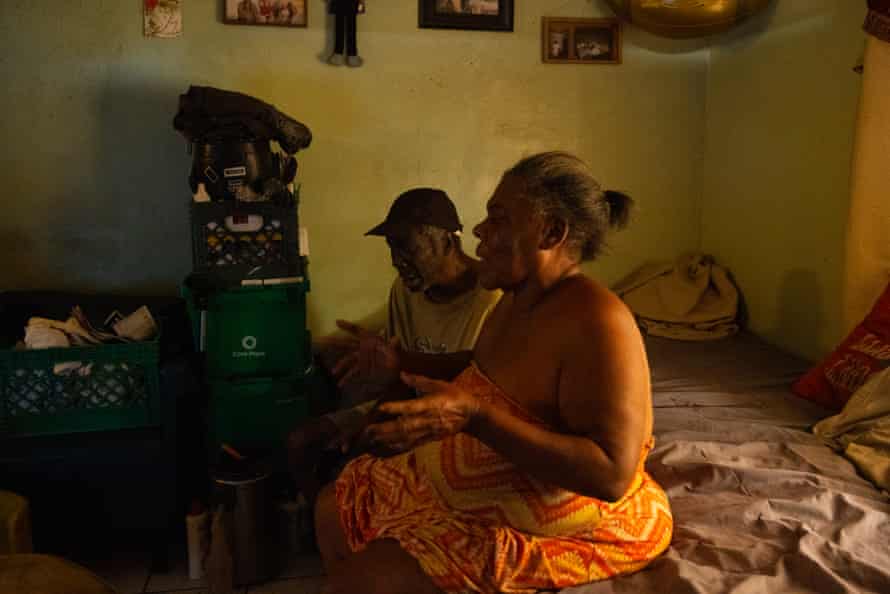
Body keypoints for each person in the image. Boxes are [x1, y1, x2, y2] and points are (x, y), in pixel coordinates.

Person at [314, 152, 674, 594]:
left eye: (497, 219)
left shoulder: (598, 320)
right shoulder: (514, 299)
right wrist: (400, 362)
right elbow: (479, 370)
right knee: (334, 505)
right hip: (481, 476)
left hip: (566, 510)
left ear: (551, 232)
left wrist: (475, 419)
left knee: (364, 581)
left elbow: (610, 476)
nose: (480, 231)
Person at [286, 188, 501, 499]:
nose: (396, 261)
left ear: (447, 241)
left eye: (406, 247)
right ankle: (322, 531)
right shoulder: (405, 291)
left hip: (455, 426)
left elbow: (477, 399)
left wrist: (381, 430)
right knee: (302, 442)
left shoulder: (492, 299)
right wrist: (370, 421)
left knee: (362, 478)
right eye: (391, 248)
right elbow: (399, 381)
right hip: (404, 405)